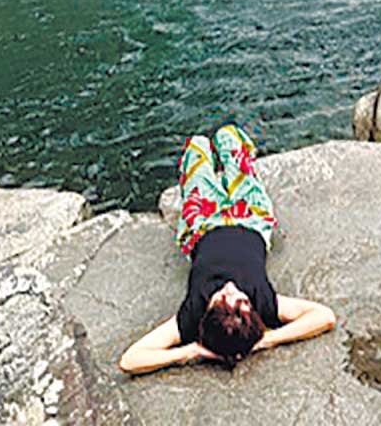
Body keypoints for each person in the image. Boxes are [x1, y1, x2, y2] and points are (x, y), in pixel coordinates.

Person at [118, 124, 336, 375]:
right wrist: (265, 341)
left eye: (222, 299)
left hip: (202, 223)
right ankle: (229, 161)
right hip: (251, 216)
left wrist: (191, 351)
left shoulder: (191, 315)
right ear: (252, 311)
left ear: (207, 314)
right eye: (241, 301)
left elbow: (130, 360)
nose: (231, 288)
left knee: (197, 146)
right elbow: (325, 316)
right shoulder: (263, 304)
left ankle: (207, 160)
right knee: (228, 136)